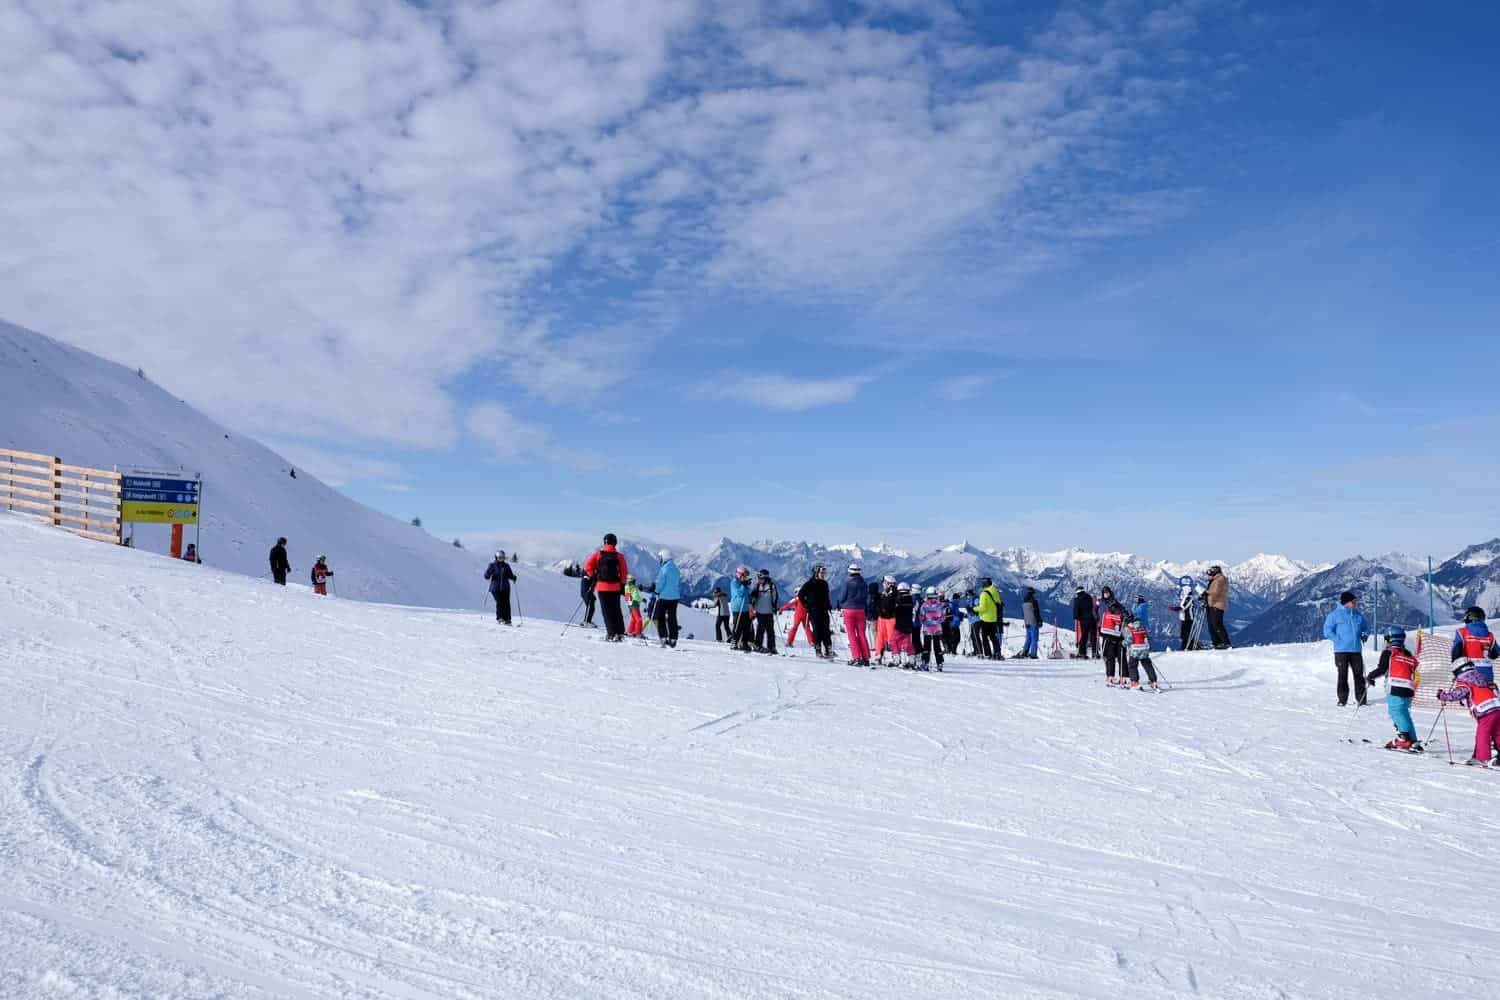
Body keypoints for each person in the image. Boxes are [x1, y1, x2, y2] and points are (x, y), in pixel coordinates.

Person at [1365, 626, 1421, 750]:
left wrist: (1370, 676)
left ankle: (1404, 739)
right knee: (1404, 714)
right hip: (1409, 688)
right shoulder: (1409, 655)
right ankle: (1413, 740)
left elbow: (1382, 669)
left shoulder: (1389, 652)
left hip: (1395, 687)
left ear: (1389, 639)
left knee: (1396, 713)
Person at [1437, 661, 1500, 766]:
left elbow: (1456, 694)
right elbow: (1490, 690)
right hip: (1497, 707)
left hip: (1485, 710)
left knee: (1483, 734)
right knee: (1497, 732)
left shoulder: (1464, 682)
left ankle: (1482, 758)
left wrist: (1443, 696)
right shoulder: (1483, 679)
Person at [1322, 590, 1371, 706]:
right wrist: (1338, 640)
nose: (1356, 603)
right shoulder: (1334, 615)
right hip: (1341, 651)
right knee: (1342, 675)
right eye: (1353, 601)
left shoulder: (1358, 615)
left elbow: (1366, 628)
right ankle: (1342, 700)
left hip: (1356, 650)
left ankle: (1361, 700)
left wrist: (1365, 634)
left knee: (1359, 676)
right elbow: (1327, 631)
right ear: (1347, 602)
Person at [583, 533, 629, 641]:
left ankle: (611, 633)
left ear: (604, 542)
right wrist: (622, 585)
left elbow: (587, 566)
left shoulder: (598, 555)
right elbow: (624, 573)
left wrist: (593, 576)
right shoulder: (619, 556)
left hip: (602, 587)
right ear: (615, 543)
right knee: (617, 610)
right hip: (615, 587)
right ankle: (620, 632)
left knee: (606, 611)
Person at [1452, 606, 1500, 685]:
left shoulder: (1461, 632)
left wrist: (1456, 671)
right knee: (1487, 695)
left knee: (1467, 693)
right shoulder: (1490, 635)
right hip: (1487, 672)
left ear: (1468, 617)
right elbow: (1495, 654)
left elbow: (1455, 654)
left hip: (1468, 672)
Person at [797, 564, 835, 660]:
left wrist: (829, 605)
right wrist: (806, 605)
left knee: (826, 630)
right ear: (816, 573)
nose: (823, 575)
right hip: (814, 610)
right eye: (821, 573)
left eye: (824, 573)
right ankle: (818, 649)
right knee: (817, 629)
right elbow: (801, 595)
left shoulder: (825, 584)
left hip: (824, 610)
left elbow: (826, 597)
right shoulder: (809, 584)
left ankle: (828, 648)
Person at [838, 564, 872, 666]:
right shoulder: (864, 583)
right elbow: (866, 597)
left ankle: (856, 657)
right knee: (862, 634)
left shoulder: (847, 583)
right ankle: (866, 658)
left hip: (849, 610)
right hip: (861, 610)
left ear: (849, 572)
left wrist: (842, 603)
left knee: (851, 634)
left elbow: (842, 597)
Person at [1123, 612, 1159, 690]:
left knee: (1132, 666)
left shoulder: (1129, 628)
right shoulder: (1142, 627)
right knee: (1148, 665)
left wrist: (1123, 644)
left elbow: (1129, 640)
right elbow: (1146, 638)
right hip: (1144, 650)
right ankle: (1153, 681)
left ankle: (1134, 682)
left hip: (1135, 651)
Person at [654, 549, 682, 647]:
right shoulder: (676, 568)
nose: (660, 560)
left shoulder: (664, 569)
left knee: (660, 617)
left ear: (664, 557)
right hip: (674, 598)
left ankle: (663, 637)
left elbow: (660, 582)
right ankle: (673, 639)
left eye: (660, 557)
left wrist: (657, 591)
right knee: (672, 618)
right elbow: (678, 583)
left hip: (664, 597)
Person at [919, 586, 947, 671]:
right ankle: (939, 663)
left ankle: (925, 663)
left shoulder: (924, 605)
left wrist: (926, 622)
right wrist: (936, 622)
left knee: (926, 646)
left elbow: (921, 617)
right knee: (937, 646)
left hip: (927, 629)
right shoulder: (940, 605)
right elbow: (943, 617)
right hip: (937, 629)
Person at [1099, 597, 1126, 685]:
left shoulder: (1106, 614)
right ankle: (1123, 677)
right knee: (1121, 658)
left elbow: (1101, 629)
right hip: (1119, 638)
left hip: (1108, 638)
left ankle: (1110, 677)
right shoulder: (1121, 615)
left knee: (1110, 658)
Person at [890, 582, 917, 668]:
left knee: (894, 641)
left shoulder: (898, 599)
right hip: (909, 624)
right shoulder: (911, 600)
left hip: (899, 624)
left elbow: (894, 610)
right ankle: (911, 659)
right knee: (907, 642)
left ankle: (896, 659)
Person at [752, 569, 780, 654]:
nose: (759, 579)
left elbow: (775, 597)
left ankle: (771, 647)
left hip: (768, 611)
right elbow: (753, 597)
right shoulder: (757, 586)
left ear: (765, 578)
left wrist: (774, 607)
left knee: (770, 630)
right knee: (760, 629)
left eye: (760, 577)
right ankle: (758, 645)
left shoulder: (771, 586)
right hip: (759, 611)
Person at [484, 551, 516, 624]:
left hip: (505, 588)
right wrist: (488, 574)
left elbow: (510, 575)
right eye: (499, 558)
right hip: (495, 588)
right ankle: (500, 618)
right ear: (496, 557)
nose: (501, 559)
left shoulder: (506, 566)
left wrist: (513, 577)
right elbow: (486, 576)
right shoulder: (492, 565)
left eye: (502, 558)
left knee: (506, 603)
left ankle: (507, 619)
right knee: (500, 602)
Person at [975, 577, 1003, 660]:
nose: (981, 584)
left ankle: (988, 654)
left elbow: (983, 607)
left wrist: (973, 609)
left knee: (984, 637)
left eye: (982, 583)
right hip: (994, 618)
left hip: (985, 619)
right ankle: (997, 652)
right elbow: (998, 603)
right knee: (993, 636)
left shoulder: (984, 594)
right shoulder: (995, 591)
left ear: (985, 584)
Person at [729, 565, 756, 652]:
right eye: (744, 575)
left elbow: (747, 594)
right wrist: (744, 585)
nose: (745, 577)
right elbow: (739, 593)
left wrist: (751, 597)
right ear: (739, 574)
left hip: (745, 608)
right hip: (738, 608)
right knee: (737, 626)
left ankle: (744, 643)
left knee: (746, 626)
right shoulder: (734, 583)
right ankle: (734, 642)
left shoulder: (743, 583)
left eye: (746, 576)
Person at [874, 576, 899, 664]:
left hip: (890, 618)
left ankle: (895, 655)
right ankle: (879, 654)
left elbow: (889, 605)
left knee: (891, 638)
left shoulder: (894, 594)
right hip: (882, 618)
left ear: (888, 584)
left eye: (884, 583)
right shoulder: (885, 593)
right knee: (880, 637)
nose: (883, 584)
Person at [1205, 565, 1231, 649]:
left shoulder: (1220, 580)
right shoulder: (1215, 580)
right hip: (1212, 604)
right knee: (1212, 625)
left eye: (1210, 572)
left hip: (1217, 604)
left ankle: (1225, 643)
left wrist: (1206, 593)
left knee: (1217, 624)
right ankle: (1216, 643)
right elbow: (1213, 591)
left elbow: (1215, 592)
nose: (1209, 575)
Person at [1174, 575, 1198, 650]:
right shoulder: (1186, 598)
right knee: (1184, 633)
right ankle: (1188, 646)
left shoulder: (1188, 598)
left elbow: (1184, 607)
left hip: (1188, 618)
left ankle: (1187, 646)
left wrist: (1176, 608)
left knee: (1186, 633)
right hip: (1184, 617)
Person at [1071, 588, 1096, 659]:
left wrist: (1078, 617)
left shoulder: (1077, 599)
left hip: (1084, 620)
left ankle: (1082, 652)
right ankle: (1095, 652)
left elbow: (1076, 611)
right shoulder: (1089, 597)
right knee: (1093, 636)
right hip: (1092, 618)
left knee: (1084, 636)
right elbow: (1092, 607)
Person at [1020, 587, 1041, 659]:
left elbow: (1023, 614)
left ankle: (1025, 652)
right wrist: (1039, 620)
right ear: (1033, 593)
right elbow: (1036, 612)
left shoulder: (1024, 601)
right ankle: (1033, 654)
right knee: (1034, 638)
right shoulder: (1034, 601)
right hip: (1033, 622)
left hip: (1027, 622)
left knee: (1028, 638)